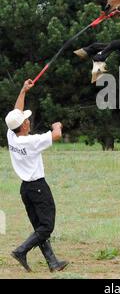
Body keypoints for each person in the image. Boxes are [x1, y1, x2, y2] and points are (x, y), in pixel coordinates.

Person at [5, 79, 68, 273]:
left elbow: (16, 113)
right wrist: (57, 126)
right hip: (38, 188)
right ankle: (21, 251)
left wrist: (23, 91)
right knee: (46, 227)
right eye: (26, 120)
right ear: (24, 126)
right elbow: (55, 136)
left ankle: (53, 263)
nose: (28, 121)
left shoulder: (11, 134)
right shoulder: (31, 141)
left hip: (26, 189)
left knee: (39, 228)